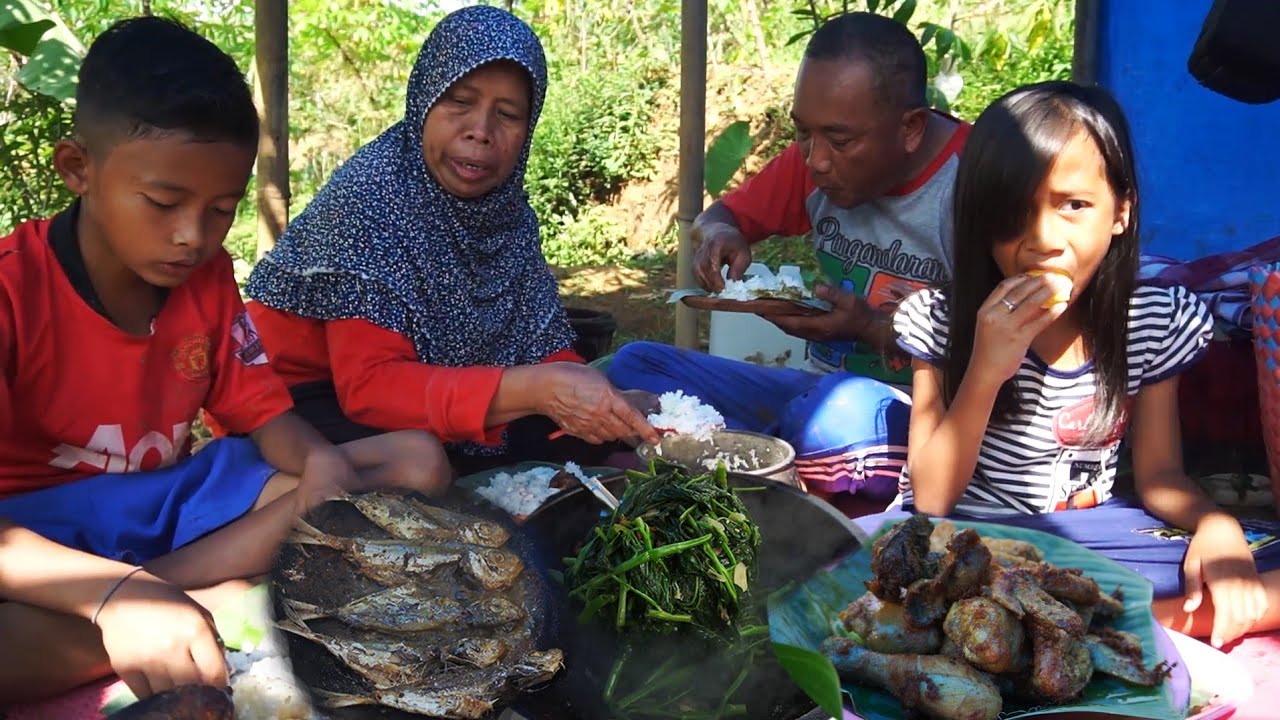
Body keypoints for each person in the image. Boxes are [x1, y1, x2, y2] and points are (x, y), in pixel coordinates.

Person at [0, 17, 447, 703]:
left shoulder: (206, 279)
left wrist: (319, 461)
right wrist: (112, 591)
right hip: (39, 536)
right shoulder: (12, 290)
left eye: (220, 210)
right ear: (77, 169)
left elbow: (264, 415)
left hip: (169, 509)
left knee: (412, 462)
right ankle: (206, 603)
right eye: (163, 202)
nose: (191, 236)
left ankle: (176, 603)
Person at [884, 80, 1280, 650]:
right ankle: (1112, 629)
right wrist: (987, 370)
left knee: (1240, 559)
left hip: (1092, 537)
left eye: (1074, 205)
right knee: (901, 567)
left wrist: (1218, 526)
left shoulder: (1152, 320)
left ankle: (1049, 633)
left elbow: (1160, 479)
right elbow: (931, 498)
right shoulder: (943, 320)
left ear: (1121, 211)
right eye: (1013, 212)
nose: (1043, 239)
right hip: (969, 540)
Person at [244, 5, 659, 475]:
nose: (480, 132)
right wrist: (539, 390)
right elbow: (369, 391)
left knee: (582, 447)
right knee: (429, 468)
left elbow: (541, 349)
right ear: (424, 100)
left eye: (507, 114)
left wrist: (610, 402)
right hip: (297, 403)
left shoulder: (508, 214)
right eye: (459, 102)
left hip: (429, 384)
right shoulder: (370, 197)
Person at [607, 12, 968, 507]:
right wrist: (719, 235)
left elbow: (1006, 353)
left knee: (834, 418)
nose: (816, 159)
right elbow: (722, 214)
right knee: (635, 365)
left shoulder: (972, 184)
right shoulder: (817, 160)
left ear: (910, 128)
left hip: (915, 416)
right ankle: (774, 461)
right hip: (815, 394)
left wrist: (870, 328)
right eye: (804, 133)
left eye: (839, 141)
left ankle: (755, 465)